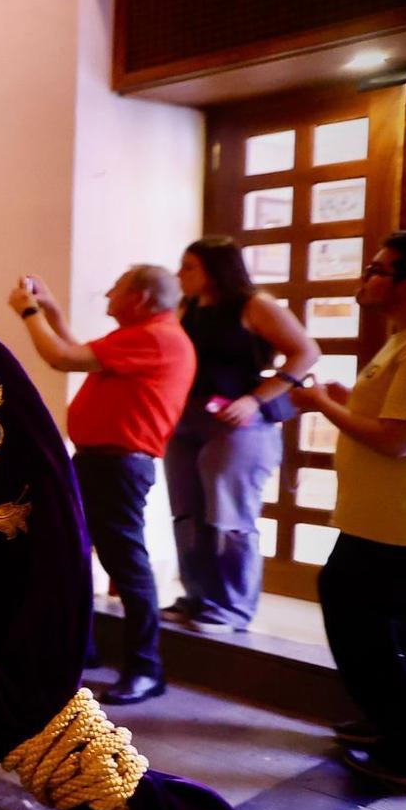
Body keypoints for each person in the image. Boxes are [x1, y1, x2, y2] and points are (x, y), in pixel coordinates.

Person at [11, 266, 195, 705]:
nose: (108, 294)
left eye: (116, 289)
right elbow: (76, 350)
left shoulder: (156, 337)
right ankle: (85, 651)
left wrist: (29, 312)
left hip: (118, 466)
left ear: (143, 298)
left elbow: (61, 358)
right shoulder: (148, 334)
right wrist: (51, 311)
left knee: (126, 566)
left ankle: (146, 669)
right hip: (101, 464)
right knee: (75, 552)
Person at [290, 230, 406, 793]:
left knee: (361, 618)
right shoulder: (405, 340)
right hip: (380, 518)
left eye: (379, 269)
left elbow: (400, 441)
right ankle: (393, 726)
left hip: (402, 525)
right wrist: (346, 402)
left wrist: (321, 404)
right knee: (379, 623)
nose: (365, 276)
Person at [166, 237, 319, 633]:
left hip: (237, 423)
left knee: (229, 513)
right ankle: (196, 596)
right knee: (187, 511)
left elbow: (306, 352)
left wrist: (256, 398)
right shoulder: (188, 307)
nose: (180, 274)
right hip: (186, 418)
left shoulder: (255, 305)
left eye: (189, 266)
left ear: (214, 268)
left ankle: (232, 606)